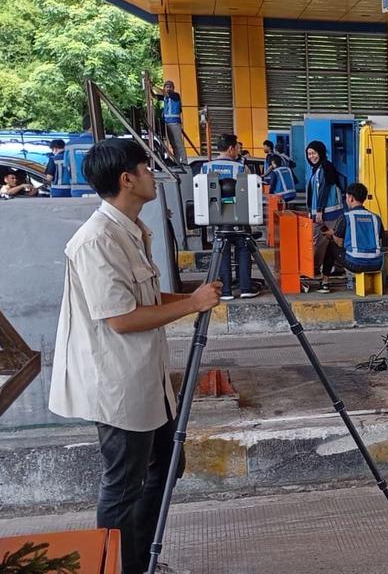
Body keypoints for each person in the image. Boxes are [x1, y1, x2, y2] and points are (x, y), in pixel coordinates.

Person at [48, 138, 221, 574]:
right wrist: (192, 304)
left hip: (147, 379)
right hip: (118, 385)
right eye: (146, 169)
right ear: (127, 179)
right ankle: (118, 567)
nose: (153, 176)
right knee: (124, 486)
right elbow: (122, 319)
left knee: (167, 467)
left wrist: (192, 298)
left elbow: (143, 298)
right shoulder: (96, 241)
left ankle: (142, 561)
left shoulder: (130, 230)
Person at [203, 134, 257, 301]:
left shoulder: (206, 168)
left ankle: (226, 291)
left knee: (222, 252)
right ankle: (246, 288)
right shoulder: (241, 168)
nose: (238, 151)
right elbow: (250, 193)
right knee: (244, 250)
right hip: (239, 218)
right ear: (231, 148)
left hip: (217, 218)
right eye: (237, 148)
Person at [305, 140, 345, 293]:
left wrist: (320, 210)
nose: (311, 156)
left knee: (321, 243)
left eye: (314, 153)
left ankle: (315, 271)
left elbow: (325, 189)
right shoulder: (317, 169)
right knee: (328, 243)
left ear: (320, 152)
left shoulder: (325, 167)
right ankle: (333, 269)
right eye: (309, 154)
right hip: (323, 214)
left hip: (328, 214)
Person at [326, 183, 385, 278]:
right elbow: (380, 238)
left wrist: (332, 235)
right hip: (376, 264)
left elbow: (339, 243)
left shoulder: (346, 217)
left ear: (351, 198)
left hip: (355, 263)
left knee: (332, 245)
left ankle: (325, 280)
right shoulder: (376, 218)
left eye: (346, 197)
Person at [154, 79, 187, 164]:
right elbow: (154, 96)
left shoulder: (175, 95)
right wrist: (149, 87)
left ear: (173, 88)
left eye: (170, 87)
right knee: (173, 144)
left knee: (178, 143)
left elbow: (164, 93)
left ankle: (184, 161)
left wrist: (153, 85)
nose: (168, 88)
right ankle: (177, 161)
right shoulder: (165, 97)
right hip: (168, 123)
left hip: (175, 123)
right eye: (167, 87)